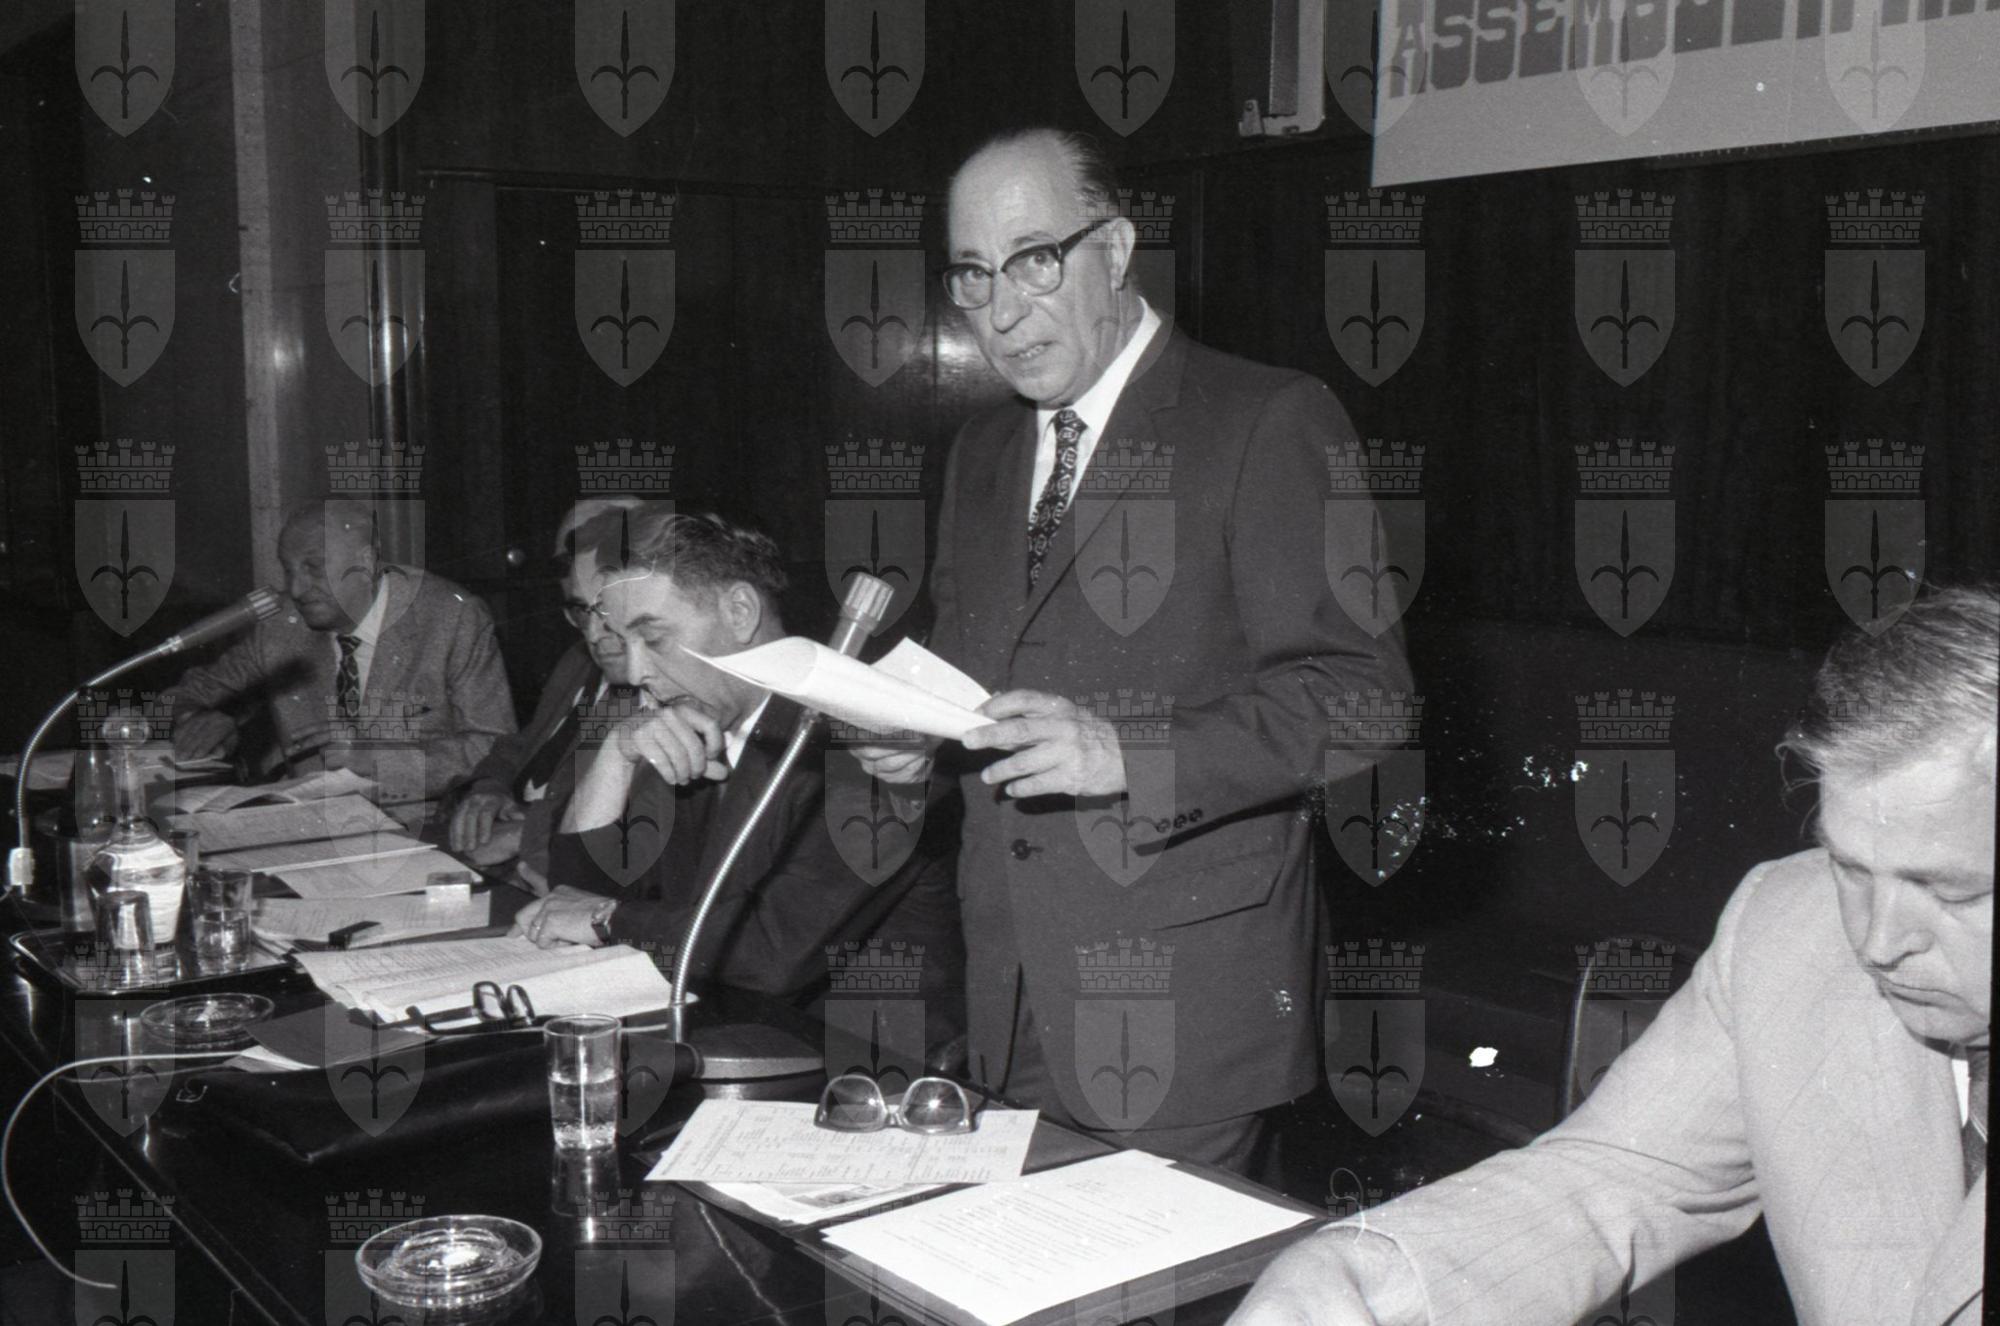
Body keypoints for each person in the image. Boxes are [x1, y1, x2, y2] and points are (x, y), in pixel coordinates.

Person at [857, 127, 1411, 1172]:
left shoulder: (1265, 418)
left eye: (1033, 260)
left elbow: (1363, 696)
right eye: (973, 274)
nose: (999, 311)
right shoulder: (982, 449)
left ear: (1113, 250)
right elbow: (980, 673)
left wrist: (1127, 753)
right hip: (1007, 989)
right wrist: (913, 740)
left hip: (1182, 1004)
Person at [1232, 585, 1995, 1326]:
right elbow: (1617, 1173)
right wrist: (1361, 1272)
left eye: (1953, 892)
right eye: (1850, 867)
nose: (1877, 943)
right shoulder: (1789, 926)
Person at [510, 508, 962, 1033]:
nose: (634, 673)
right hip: (722, 1032)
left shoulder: (874, 743)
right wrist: (617, 751)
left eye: (653, 639)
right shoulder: (701, 723)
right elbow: (573, 898)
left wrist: (604, 918)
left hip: (855, 1056)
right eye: (622, 641)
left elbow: (770, 953)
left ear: (740, 611)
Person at [166, 500, 514, 798]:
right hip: (305, 820)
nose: (296, 590)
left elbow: (495, 747)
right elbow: (188, 693)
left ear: (366, 561)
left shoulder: (451, 616)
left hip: (418, 821)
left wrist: (377, 760)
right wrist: (200, 723)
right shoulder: (281, 627)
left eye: (313, 568)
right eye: (288, 571)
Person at [444, 499, 641, 883]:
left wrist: (526, 832)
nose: (593, 631)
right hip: (506, 851)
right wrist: (490, 788)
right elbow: (522, 745)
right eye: (563, 562)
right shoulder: (578, 658)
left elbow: (636, 814)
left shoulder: (657, 681)